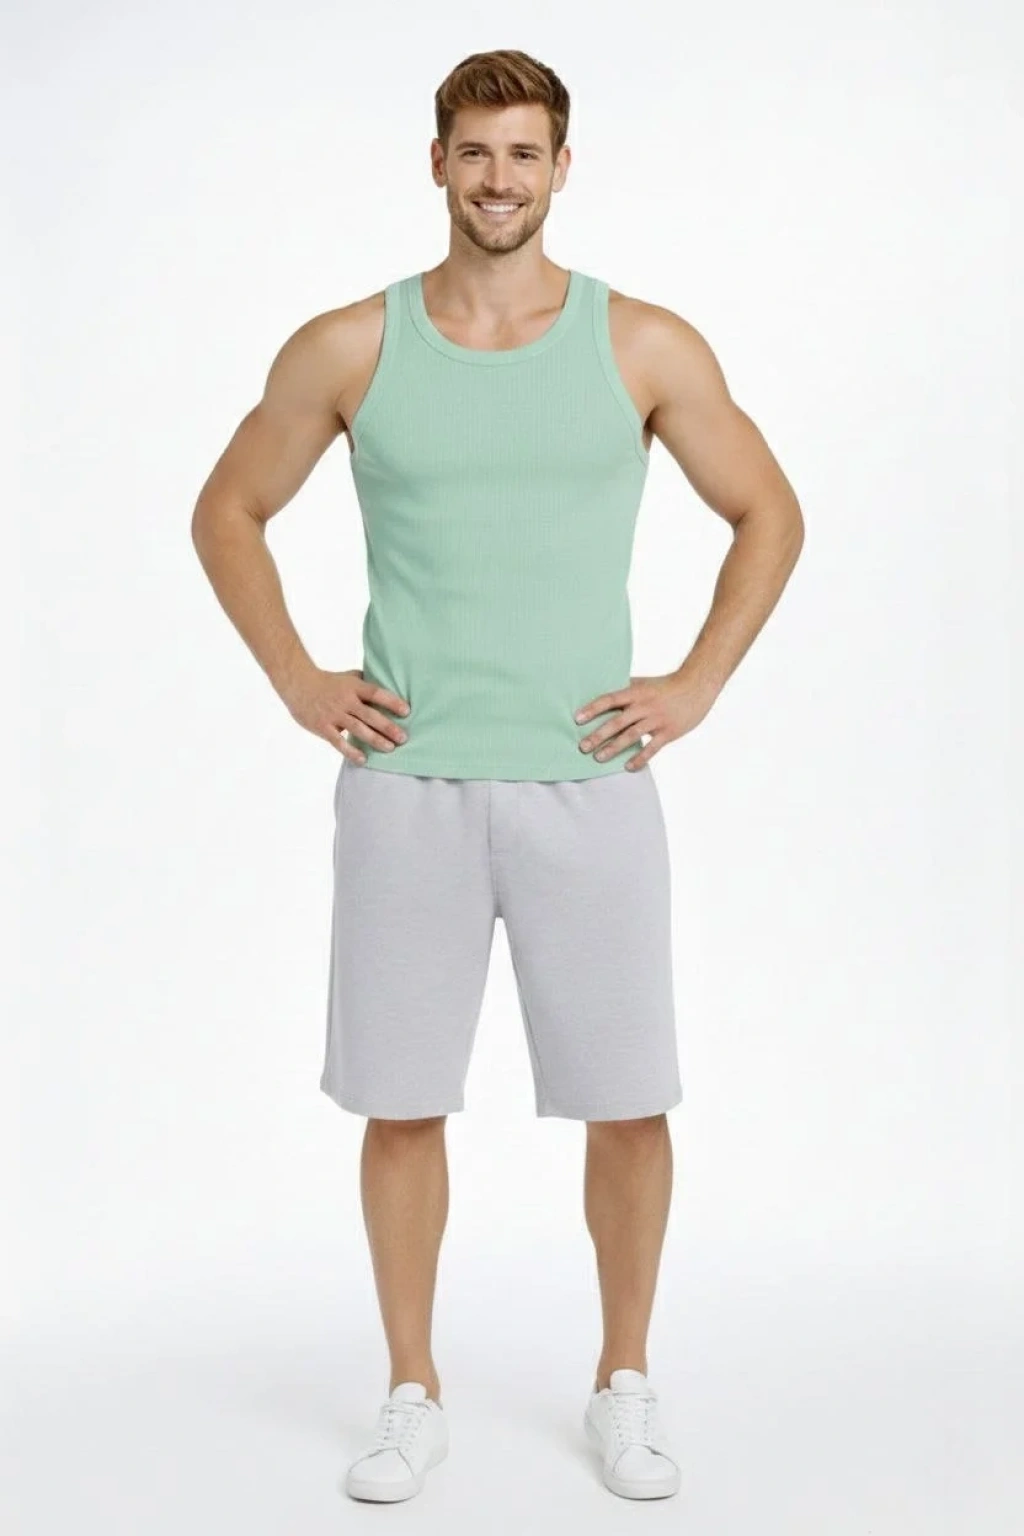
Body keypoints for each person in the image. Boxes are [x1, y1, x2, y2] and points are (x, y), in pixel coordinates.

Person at [190, 47, 804, 1506]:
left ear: (561, 168)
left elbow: (769, 511)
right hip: (405, 782)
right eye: (475, 152)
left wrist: (697, 682)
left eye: (524, 153)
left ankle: (624, 1379)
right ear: (437, 164)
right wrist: (297, 678)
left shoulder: (642, 345)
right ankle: (412, 1390)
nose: (499, 178)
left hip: (590, 778)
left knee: (627, 1098)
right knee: (402, 1102)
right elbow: (227, 508)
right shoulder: (352, 346)